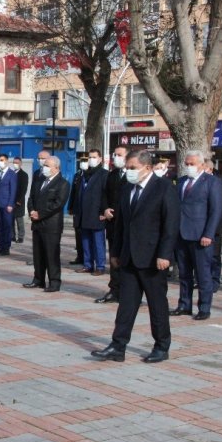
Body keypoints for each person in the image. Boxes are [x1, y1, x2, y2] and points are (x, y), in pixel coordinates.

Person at [91, 150, 179, 363]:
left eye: (132, 168)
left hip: (152, 258)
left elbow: (171, 224)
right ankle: (118, 345)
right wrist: (116, 252)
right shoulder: (127, 188)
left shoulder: (164, 187)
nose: (128, 171)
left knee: (157, 304)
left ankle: (161, 346)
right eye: (127, 168)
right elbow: (122, 223)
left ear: (147, 168)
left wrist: (165, 254)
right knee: (126, 304)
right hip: (129, 257)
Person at [170, 150, 222, 321]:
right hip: (181, 234)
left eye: (192, 164)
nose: (188, 167)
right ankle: (184, 304)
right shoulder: (182, 182)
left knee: (203, 274)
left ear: (202, 165)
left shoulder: (212, 182)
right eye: (187, 163)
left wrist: (209, 234)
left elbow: (215, 211)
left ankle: (204, 307)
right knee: (184, 273)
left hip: (201, 236)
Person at [23, 156, 70, 292]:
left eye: (48, 165)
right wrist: (32, 211)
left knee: (51, 254)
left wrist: (40, 214)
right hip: (37, 224)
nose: (45, 167)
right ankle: (38, 279)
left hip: (51, 225)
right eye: (45, 165)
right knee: (38, 254)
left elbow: (58, 204)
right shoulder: (39, 181)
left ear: (56, 167)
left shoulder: (63, 183)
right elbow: (31, 198)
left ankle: (54, 282)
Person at [96, 145, 128, 303]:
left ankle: (128, 292)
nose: (116, 157)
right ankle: (114, 289)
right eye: (115, 154)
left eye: (119, 154)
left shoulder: (134, 175)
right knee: (114, 258)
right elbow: (104, 194)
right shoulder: (112, 174)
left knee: (127, 259)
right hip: (113, 223)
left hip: (128, 225)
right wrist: (105, 209)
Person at [71, 148, 108, 275]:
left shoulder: (104, 174)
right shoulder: (84, 174)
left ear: (100, 159)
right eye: (90, 157)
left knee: (98, 242)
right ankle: (88, 264)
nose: (91, 160)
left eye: (94, 157)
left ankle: (100, 266)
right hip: (83, 213)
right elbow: (78, 193)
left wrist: (103, 211)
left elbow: (105, 195)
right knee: (85, 241)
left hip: (97, 213)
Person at [204, 159, 222, 293]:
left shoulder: (220, 182)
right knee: (203, 257)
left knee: (214, 256)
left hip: (215, 227)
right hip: (201, 227)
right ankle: (204, 280)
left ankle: (214, 280)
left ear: (209, 169)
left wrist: (218, 228)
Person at [0, 154, 17, 255]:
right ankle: (0, 246)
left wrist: (10, 204)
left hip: (7, 204)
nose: (0, 162)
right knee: (0, 226)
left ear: (7, 161)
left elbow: (13, 190)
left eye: (2, 160)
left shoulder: (12, 174)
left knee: (7, 226)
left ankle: (6, 248)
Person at [67, 156, 85, 265]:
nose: (83, 163)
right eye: (82, 160)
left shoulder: (90, 175)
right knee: (78, 234)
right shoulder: (77, 175)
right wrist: (70, 207)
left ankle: (88, 258)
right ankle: (80, 256)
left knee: (86, 236)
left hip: (87, 211)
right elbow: (73, 192)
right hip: (77, 209)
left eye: (85, 161)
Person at [11, 157, 28, 244]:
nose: (15, 164)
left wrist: (19, 200)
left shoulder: (24, 175)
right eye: (14, 162)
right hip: (10, 201)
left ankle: (21, 237)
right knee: (11, 220)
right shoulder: (11, 173)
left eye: (17, 163)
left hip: (18, 201)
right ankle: (12, 236)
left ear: (21, 164)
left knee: (19, 220)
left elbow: (24, 189)